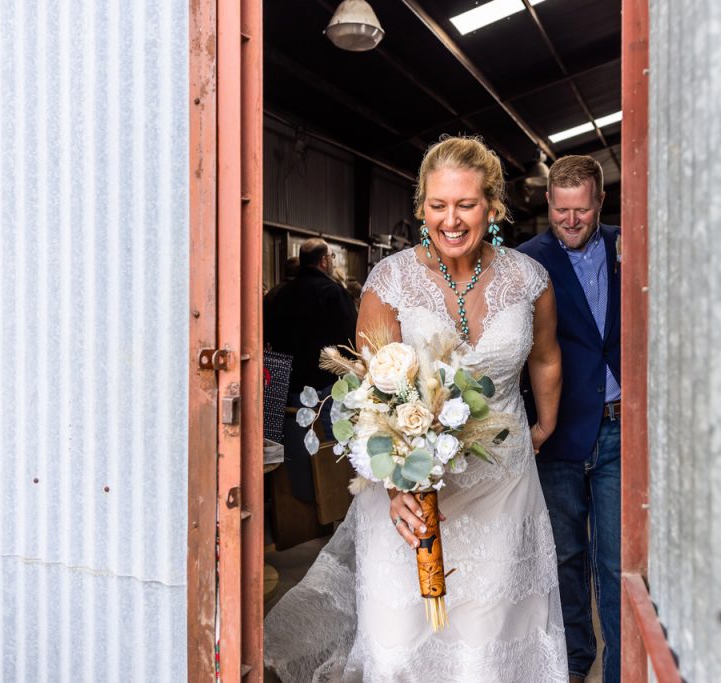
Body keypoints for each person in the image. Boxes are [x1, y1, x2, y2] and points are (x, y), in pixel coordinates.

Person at [263, 136, 568, 681]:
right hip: (408, 494)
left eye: (466, 204)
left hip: (503, 484)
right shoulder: (391, 281)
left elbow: (545, 357)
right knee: (402, 639)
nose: (450, 219)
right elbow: (366, 394)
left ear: (493, 206)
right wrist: (399, 483)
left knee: (486, 634)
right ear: (422, 206)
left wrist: (544, 423)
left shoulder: (529, 279)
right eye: (437, 205)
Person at [519, 155, 622, 682]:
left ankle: (623, 670)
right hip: (556, 431)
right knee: (564, 555)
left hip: (619, 426)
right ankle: (575, 659)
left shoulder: (630, 247)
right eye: (562, 211)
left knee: (616, 559)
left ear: (601, 203)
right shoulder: (525, 262)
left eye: (582, 210)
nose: (571, 221)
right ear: (548, 204)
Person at [264, 239, 357, 396]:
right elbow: (349, 336)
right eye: (332, 256)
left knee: (298, 421)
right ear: (323, 261)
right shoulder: (334, 292)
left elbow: (270, 334)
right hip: (329, 383)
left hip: (292, 382)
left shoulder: (282, 293)